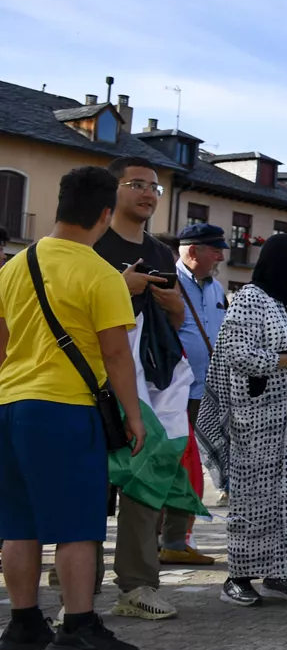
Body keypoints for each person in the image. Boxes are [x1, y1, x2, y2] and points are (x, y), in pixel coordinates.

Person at [0, 166, 145, 650]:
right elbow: (116, 355)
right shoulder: (101, 273)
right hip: (63, 411)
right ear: (105, 215)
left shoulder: (14, 267)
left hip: (10, 404)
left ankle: (22, 625)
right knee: (77, 525)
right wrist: (133, 415)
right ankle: (78, 626)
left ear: (61, 206)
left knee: (19, 524)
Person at [198, 233, 287, 608]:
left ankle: (280, 573)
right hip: (258, 423)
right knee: (253, 502)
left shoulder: (286, 304)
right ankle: (236, 578)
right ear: (285, 264)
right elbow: (236, 352)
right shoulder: (252, 299)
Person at [94, 157, 185, 622]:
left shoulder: (162, 252)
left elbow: (173, 322)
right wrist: (119, 288)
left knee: (145, 478)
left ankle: (137, 583)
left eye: (154, 188)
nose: (148, 193)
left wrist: (174, 310)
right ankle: (80, 578)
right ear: (112, 190)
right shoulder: (92, 241)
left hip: (147, 380)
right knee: (91, 482)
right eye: (136, 184)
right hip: (93, 377)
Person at [161, 223, 229, 567]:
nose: (220, 256)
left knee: (191, 468)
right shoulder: (165, 280)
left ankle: (178, 538)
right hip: (174, 391)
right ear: (192, 251)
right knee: (174, 465)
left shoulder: (215, 286)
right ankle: (171, 539)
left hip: (209, 391)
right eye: (214, 250)